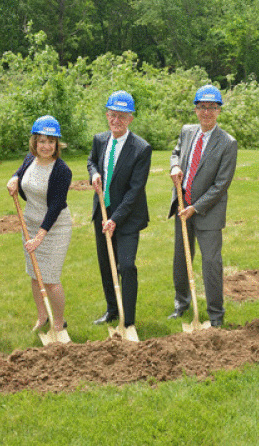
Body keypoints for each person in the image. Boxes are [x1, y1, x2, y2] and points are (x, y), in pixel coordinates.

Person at [168, 84, 238, 327]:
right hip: (182, 205)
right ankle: (182, 304)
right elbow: (176, 153)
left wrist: (196, 207)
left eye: (212, 107)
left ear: (219, 110)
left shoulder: (228, 143)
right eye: (202, 107)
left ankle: (216, 315)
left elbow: (221, 185)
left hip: (208, 212)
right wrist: (174, 165)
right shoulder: (188, 131)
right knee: (181, 259)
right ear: (196, 110)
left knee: (210, 262)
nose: (206, 112)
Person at [87, 90, 152, 328]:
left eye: (122, 116)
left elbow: (135, 190)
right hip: (101, 213)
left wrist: (115, 219)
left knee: (126, 265)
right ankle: (112, 310)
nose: (117, 121)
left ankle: (129, 320)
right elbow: (91, 160)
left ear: (131, 118)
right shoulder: (100, 140)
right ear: (107, 115)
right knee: (106, 265)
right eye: (113, 115)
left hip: (127, 217)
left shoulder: (141, 149)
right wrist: (94, 173)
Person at [6, 115, 72, 332]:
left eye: (51, 141)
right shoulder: (29, 159)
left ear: (57, 144)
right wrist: (14, 178)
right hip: (30, 224)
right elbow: (21, 172)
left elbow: (55, 207)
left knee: (50, 279)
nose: (46, 146)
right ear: (34, 142)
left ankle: (59, 322)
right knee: (35, 276)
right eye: (42, 141)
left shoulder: (62, 171)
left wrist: (39, 237)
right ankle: (42, 316)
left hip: (54, 229)